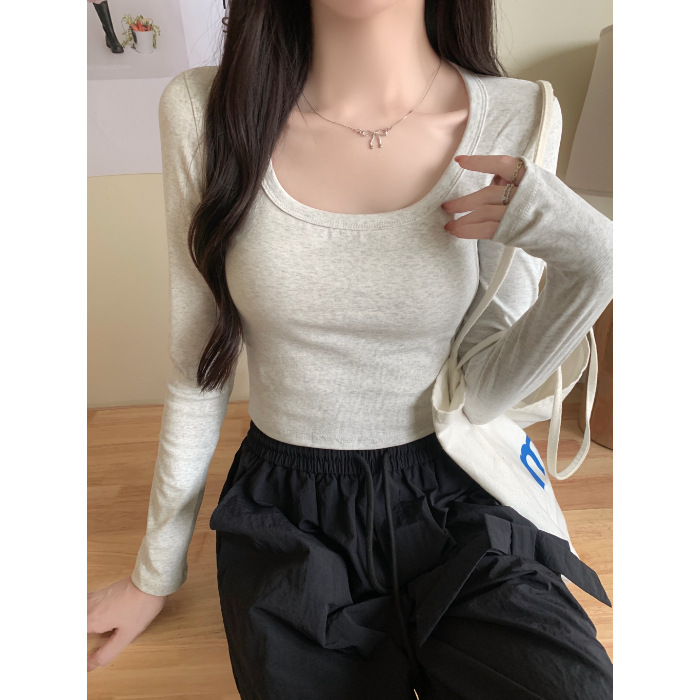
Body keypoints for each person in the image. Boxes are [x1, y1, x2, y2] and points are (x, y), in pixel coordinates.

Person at [87, 1, 614, 697]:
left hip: (461, 489)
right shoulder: (203, 110)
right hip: (288, 509)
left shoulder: (518, 114)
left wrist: (597, 263)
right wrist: (155, 573)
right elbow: (198, 366)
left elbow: (484, 392)